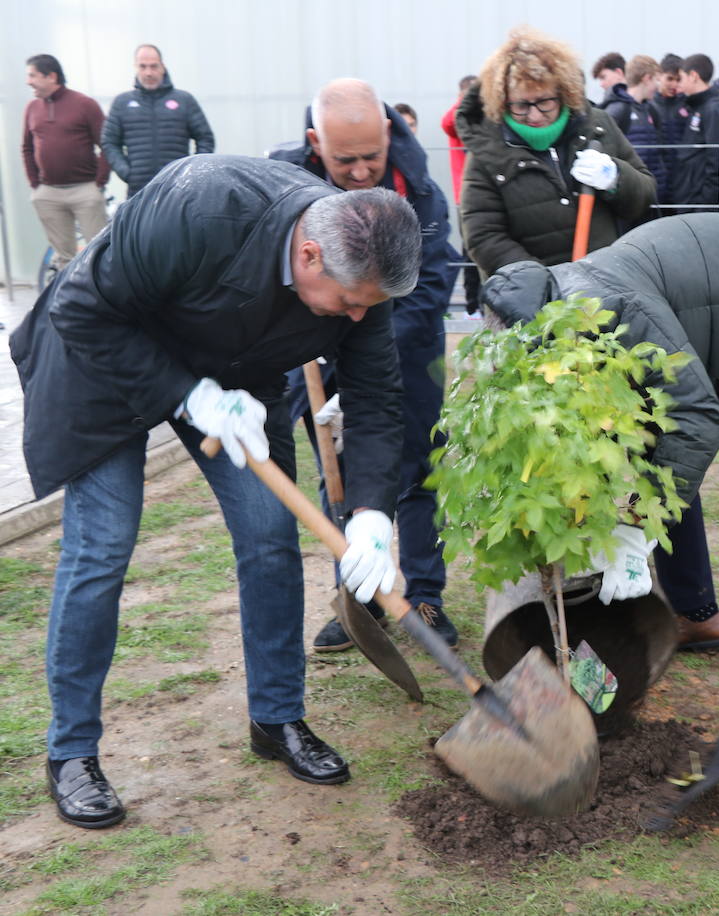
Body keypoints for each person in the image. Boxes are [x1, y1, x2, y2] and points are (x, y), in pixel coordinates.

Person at [9, 154, 420, 829]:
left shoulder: (363, 274)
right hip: (105, 364)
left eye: (364, 306)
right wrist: (187, 396)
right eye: (347, 302)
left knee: (269, 538)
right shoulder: (199, 205)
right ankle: (72, 752)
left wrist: (373, 514)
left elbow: (376, 397)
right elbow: (84, 309)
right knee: (103, 547)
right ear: (310, 254)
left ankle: (277, 718)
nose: (354, 318)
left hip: (232, 375)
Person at [481, 212, 719, 757]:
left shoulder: (609, 311)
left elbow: (696, 414)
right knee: (663, 453)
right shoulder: (555, 318)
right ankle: (697, 616)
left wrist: (638, 531)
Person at [270, 77, 461, 649]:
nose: (359, 171)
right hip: (317, 355)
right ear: (315, 142)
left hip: (409, 347)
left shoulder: (418, 187)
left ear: (389, 132)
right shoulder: (286, 183)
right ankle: (358, 599)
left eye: (370, 156)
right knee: (340, 475)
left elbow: (433, 278)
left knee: (420, 472)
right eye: (344, 159)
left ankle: (425, 596)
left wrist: (375, 351)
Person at [455, 26, 655, 276]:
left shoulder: (598, 126)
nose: (535, 115)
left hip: (604, 288)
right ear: (502, 100)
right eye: (521, 105)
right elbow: (483, 235)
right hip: (529, 301)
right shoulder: (488, 149)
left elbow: (645, 196)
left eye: (544, 101)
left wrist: (615, 177)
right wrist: (543, 284)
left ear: (563, 92)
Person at [22, 53, 109, 274]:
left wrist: (98, 182)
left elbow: (107, 144)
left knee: (99, 253)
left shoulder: (85, 104)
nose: (28, 81)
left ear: (51, 76)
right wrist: (35, 184)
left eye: (32, 75)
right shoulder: (31, 108)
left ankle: (104, 305)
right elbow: (27, 148)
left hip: (85, 191)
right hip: (48, 194)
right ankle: (68, 305)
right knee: (64, 261)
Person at [100, 44, 214, 200]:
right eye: (143, 66)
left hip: (178, 189)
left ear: (163, 67)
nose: (148, 72)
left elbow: (205, 138)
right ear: (136, 68)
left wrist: (191, 172)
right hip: (139, 191)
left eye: (154, 66)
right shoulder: (122, 103)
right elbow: (109, 142)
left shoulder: (184, 100)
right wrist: (126, 172)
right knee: (139, 226)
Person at [604, 55, 670, 217]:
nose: (658, 86)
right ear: (647, 78)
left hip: (652, 192)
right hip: (629, 194)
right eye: (656, 80)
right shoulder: (618, 110)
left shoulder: (651, 110)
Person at [671, 54, 719, 210]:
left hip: (701, 206)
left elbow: (718, 162)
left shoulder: (713, 109)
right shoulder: (696, 107)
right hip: (689, 200)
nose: (678, 84)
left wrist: (704, 205)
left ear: (694, 76)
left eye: (681, 78)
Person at [441, 75, 482, 312]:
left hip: (485, 196)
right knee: (470, 252)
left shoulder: (481, 121)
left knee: (484, 251)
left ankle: (482, 305)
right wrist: (465, 101)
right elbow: (447, 122)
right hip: (464, 198)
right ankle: (471, 307)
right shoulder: (458, 121)